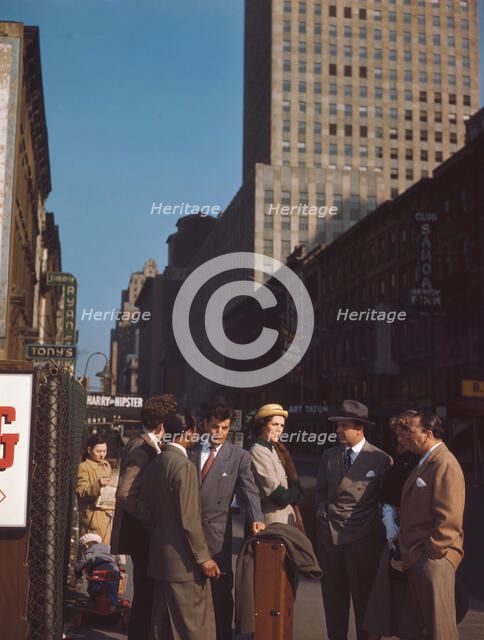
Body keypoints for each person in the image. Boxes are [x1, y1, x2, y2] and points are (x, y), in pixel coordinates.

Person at [138, 412, 220, 640]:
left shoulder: (155, 463)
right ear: (187, 433)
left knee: (161, 628)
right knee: (193, 629)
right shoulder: (184, 466)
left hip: (160, 557)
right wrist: (203, 558)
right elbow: (190, 518)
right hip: (185, 564)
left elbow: (143, 509)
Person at [315, 400, 392, 640]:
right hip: (331, 536)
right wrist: (322, 513)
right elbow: (320, 491)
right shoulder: (329, 455)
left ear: (360, 428)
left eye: (343, 426)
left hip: (363, 539)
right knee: (333, 598)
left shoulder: (380, 459)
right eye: (337, 426)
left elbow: (386, 501)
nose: (338, 431)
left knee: (364, 599)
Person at [188, 402, 265, 640]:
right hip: (186, 532)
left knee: (220, 596)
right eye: (215, 427)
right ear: (204, 425)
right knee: (189, 594)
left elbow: (249, 491)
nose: (219, 433)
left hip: (218, 535)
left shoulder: (239, 456)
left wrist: (257, 519)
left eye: (225, 428)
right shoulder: (188, 451)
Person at [111, 393, 177, 640]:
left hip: (141, 533)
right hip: (140, 534)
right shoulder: (142, 447)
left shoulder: (145, 443)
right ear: (161, 425)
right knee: (145, 595)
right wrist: (151, 521)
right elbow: (126, 493)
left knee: (146, 594)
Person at [399, 412, 465, 640]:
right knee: (422, 628)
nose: (406, 435)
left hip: (432, 559)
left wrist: (431, 551)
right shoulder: (427, 460)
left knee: (440, 629)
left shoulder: (445, 462)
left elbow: (450, 518)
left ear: (428, 434)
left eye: (411, 431)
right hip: (420, 557)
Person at [364, 410, 421, 640]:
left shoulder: (422, 461)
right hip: (394, 535)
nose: (399, 439)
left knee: (410, 602)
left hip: (415, 537)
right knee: (383, 598)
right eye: (397, 434)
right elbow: (388, 493)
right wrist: (389, 523)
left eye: (403, 434)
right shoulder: (401, 460)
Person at [250, 403, 303, 526]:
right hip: (273, 520)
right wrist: (296, 490)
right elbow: (280, 496)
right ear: (262, 425)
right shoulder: (258, 450)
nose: (279, 429)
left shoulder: (274, 448)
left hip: (286, 519)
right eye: (274, 424)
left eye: (282, 425)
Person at [76, 434, 113, 544]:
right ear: (89, 450)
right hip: (92, 517)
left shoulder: (106, 465)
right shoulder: (84, 467)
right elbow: (81, 492)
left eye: (104, 451)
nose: (102, 455)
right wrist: (98, 485)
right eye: (98, 451)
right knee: (92, 552)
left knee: (106, 551)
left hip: (107, 516)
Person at [75, 532, 125, 606]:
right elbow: (119, 558)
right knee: (112, 590)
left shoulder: (91, 552)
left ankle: (93, 602)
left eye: (83, 548)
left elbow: (81, 564)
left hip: (98, 572)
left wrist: (77, 571)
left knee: (94, 589)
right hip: (113, 570)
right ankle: (113, 604)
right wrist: (119, 565)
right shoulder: (109, 547)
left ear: (86, 545)